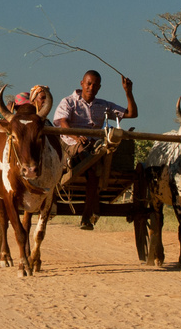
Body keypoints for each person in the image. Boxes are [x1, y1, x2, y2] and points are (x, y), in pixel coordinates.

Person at [52, 69, 137, 230]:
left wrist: (128, 92)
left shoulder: (103, 105)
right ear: (82, 84)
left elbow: (132, 113)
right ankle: (76, 163)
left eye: (95, 85)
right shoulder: (69, 101)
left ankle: (86, 215)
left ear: (99, 88)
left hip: (94, 149)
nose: (91, 87)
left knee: (93, 169)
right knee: (88, 154)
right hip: (71, 143)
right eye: (89, 83)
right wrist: (77, 137)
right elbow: (62, 122)